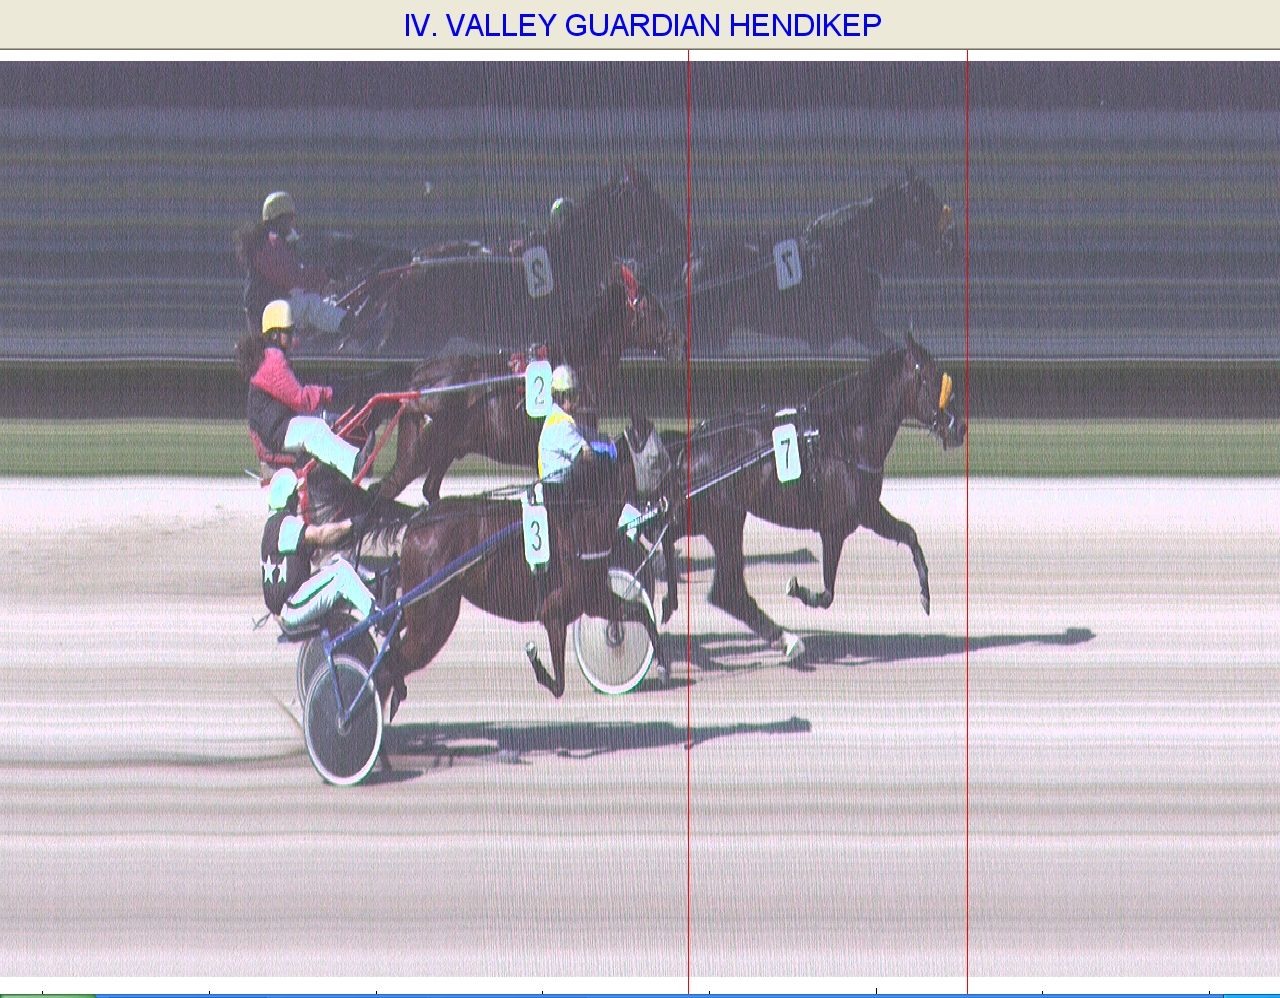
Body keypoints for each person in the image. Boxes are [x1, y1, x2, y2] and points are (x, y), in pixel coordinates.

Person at [235, 299, 362, 480]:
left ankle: (344, 467)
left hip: (275, 428)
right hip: (275, 433)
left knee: (331, 421)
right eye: (288, 331)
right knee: (314, 429)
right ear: (275, 334)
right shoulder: (273, 360)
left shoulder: (269, 357)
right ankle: (355, 463)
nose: (292, 336)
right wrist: (330, 393)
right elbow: (300, 399)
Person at [259, 469, 378, 634]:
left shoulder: (273, 525)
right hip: (292, 607)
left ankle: (374, 581)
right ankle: (377, 616)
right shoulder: (285, 524)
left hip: (291, 604)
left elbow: (314, 551)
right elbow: (321, 535)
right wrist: (351, 525)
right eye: (295, 495)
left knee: (338, 560)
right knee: (342, 573)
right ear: (288, 499)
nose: (298, 499)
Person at [235, 190, 352, 339]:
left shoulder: (271, 242)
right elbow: (292, 278)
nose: (292, 223)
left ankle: (332, 329)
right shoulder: (270, 244)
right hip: (266, 310)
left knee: (316, 301)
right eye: (287, 218)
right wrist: (326, 273)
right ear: (276, 219)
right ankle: (346, 323)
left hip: (267, 306)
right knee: (310, 304)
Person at [537, 364, 615, 483]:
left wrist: (604, 438)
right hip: (559, 489)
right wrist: (607, 455)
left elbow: (583, 431)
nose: (576, 403)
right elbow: (586, 453)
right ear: (560, 397)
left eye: (576, 396)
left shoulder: (557, 418)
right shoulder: (560, 425)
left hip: (562, 486)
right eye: (572, 397)